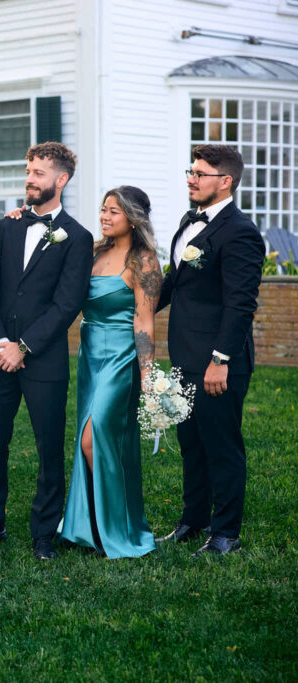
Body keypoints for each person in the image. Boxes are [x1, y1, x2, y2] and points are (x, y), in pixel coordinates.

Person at [0, 141, 92, 561]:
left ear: (61, 180)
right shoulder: (7, 226)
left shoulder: (77, 237)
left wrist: (24, 348)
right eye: (28, 172)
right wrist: (1, 342)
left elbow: (67, 304)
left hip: (44, 360)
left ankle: (43, 532)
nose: (29, 180)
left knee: (48, 446)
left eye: (38, 174)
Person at [157, 144, 263, 556]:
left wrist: (221, 360)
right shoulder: (189, 221)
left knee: (222, 446)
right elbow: (176, 281)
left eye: (199, 173)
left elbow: (241, 303)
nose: (191, 178)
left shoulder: (240, 231)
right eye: (191, 171)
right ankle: (193, 520)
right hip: (183, 356)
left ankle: (225, 534)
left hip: (219, 362)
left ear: (225, 181)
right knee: (192, 443)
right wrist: (139, 307)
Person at [54, 186, 160, 558]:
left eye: (113, 211)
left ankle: (112, 526)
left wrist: (147, 372)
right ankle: (93, 525)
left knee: (94, 436)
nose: (104, 216)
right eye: (103, 209)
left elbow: (144, 320)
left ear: (132, 218)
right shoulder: (93, 254)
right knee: (96, 437)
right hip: (89, 355)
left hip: (120, 357)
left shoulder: (143, 261)